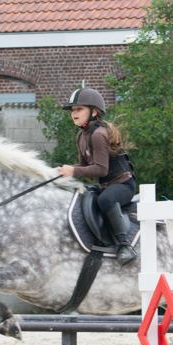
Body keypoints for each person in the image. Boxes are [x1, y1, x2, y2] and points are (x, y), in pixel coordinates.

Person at [56, 87, 137, 265]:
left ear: (94, 112)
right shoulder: (81, 136)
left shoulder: (99, 134)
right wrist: (62, 171)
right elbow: (85, 167)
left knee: (105, 200)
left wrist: (73, 171)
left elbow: (101, 170)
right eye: (72, 110)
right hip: (106, 185)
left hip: (124, 185)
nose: (74, 113)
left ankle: (125, 246)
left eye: (79, 109)